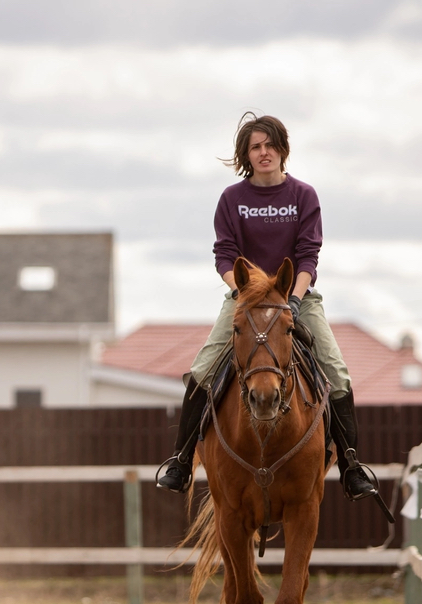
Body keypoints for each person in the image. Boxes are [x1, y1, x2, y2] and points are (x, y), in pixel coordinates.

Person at [157, 112, 378, 503]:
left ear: (283, 149)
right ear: (246, 154)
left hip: (297, 297)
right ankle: (180, 461)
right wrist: (244, 292)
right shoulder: (232, 199)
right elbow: (224, 256)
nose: (264, 153)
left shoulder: (304, 196)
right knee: (203, 369)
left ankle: (351, 466)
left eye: (270, 145)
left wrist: (292, 297)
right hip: (244, 299)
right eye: (256, 147)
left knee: (337, 372)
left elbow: (308, 255)